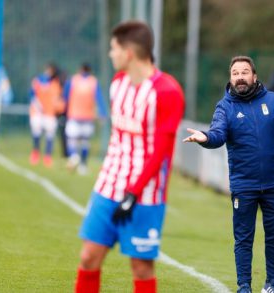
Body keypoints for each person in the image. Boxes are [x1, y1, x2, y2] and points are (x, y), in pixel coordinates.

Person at [183, 56, 274, 293]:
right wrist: (206, 138)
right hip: (244, 185)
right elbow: (218, 134)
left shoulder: (273, 101)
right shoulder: (225, 106)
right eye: (235, 73)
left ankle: (272, 283)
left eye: (244, 72)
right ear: (230, 78)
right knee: (244, 239)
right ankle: (244, 286)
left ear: (254, 76)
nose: (240, 77)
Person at [74, 21, 185, 293]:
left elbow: (161, 152)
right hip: (108, 186)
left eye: (114, 49)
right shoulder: (117, 83)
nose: (110, 54)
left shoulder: (167, 92)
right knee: (89, 257)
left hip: (145, 194)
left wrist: (133, 193)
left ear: (129, 53)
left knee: (141, 267)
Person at [63, 63, 107, 175]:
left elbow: (65, 96)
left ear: (80, 69)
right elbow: (99, 98)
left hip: (74, 115)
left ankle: (74, 156)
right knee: (85, 142)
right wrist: (103, 113)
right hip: (88, 116)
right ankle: (83, 165)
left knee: (72, 140)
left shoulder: (73, 80)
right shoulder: (93, 81)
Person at [28, 63, 64, 167]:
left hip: (50, 114)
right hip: (38, 113)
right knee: (37, 133)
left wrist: (58, 107)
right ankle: (36, 152)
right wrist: (37, 104)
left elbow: (58, 99)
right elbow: (32, 94)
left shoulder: (56, 83)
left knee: (50, 135)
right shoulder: (38, 80)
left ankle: (47, 156)